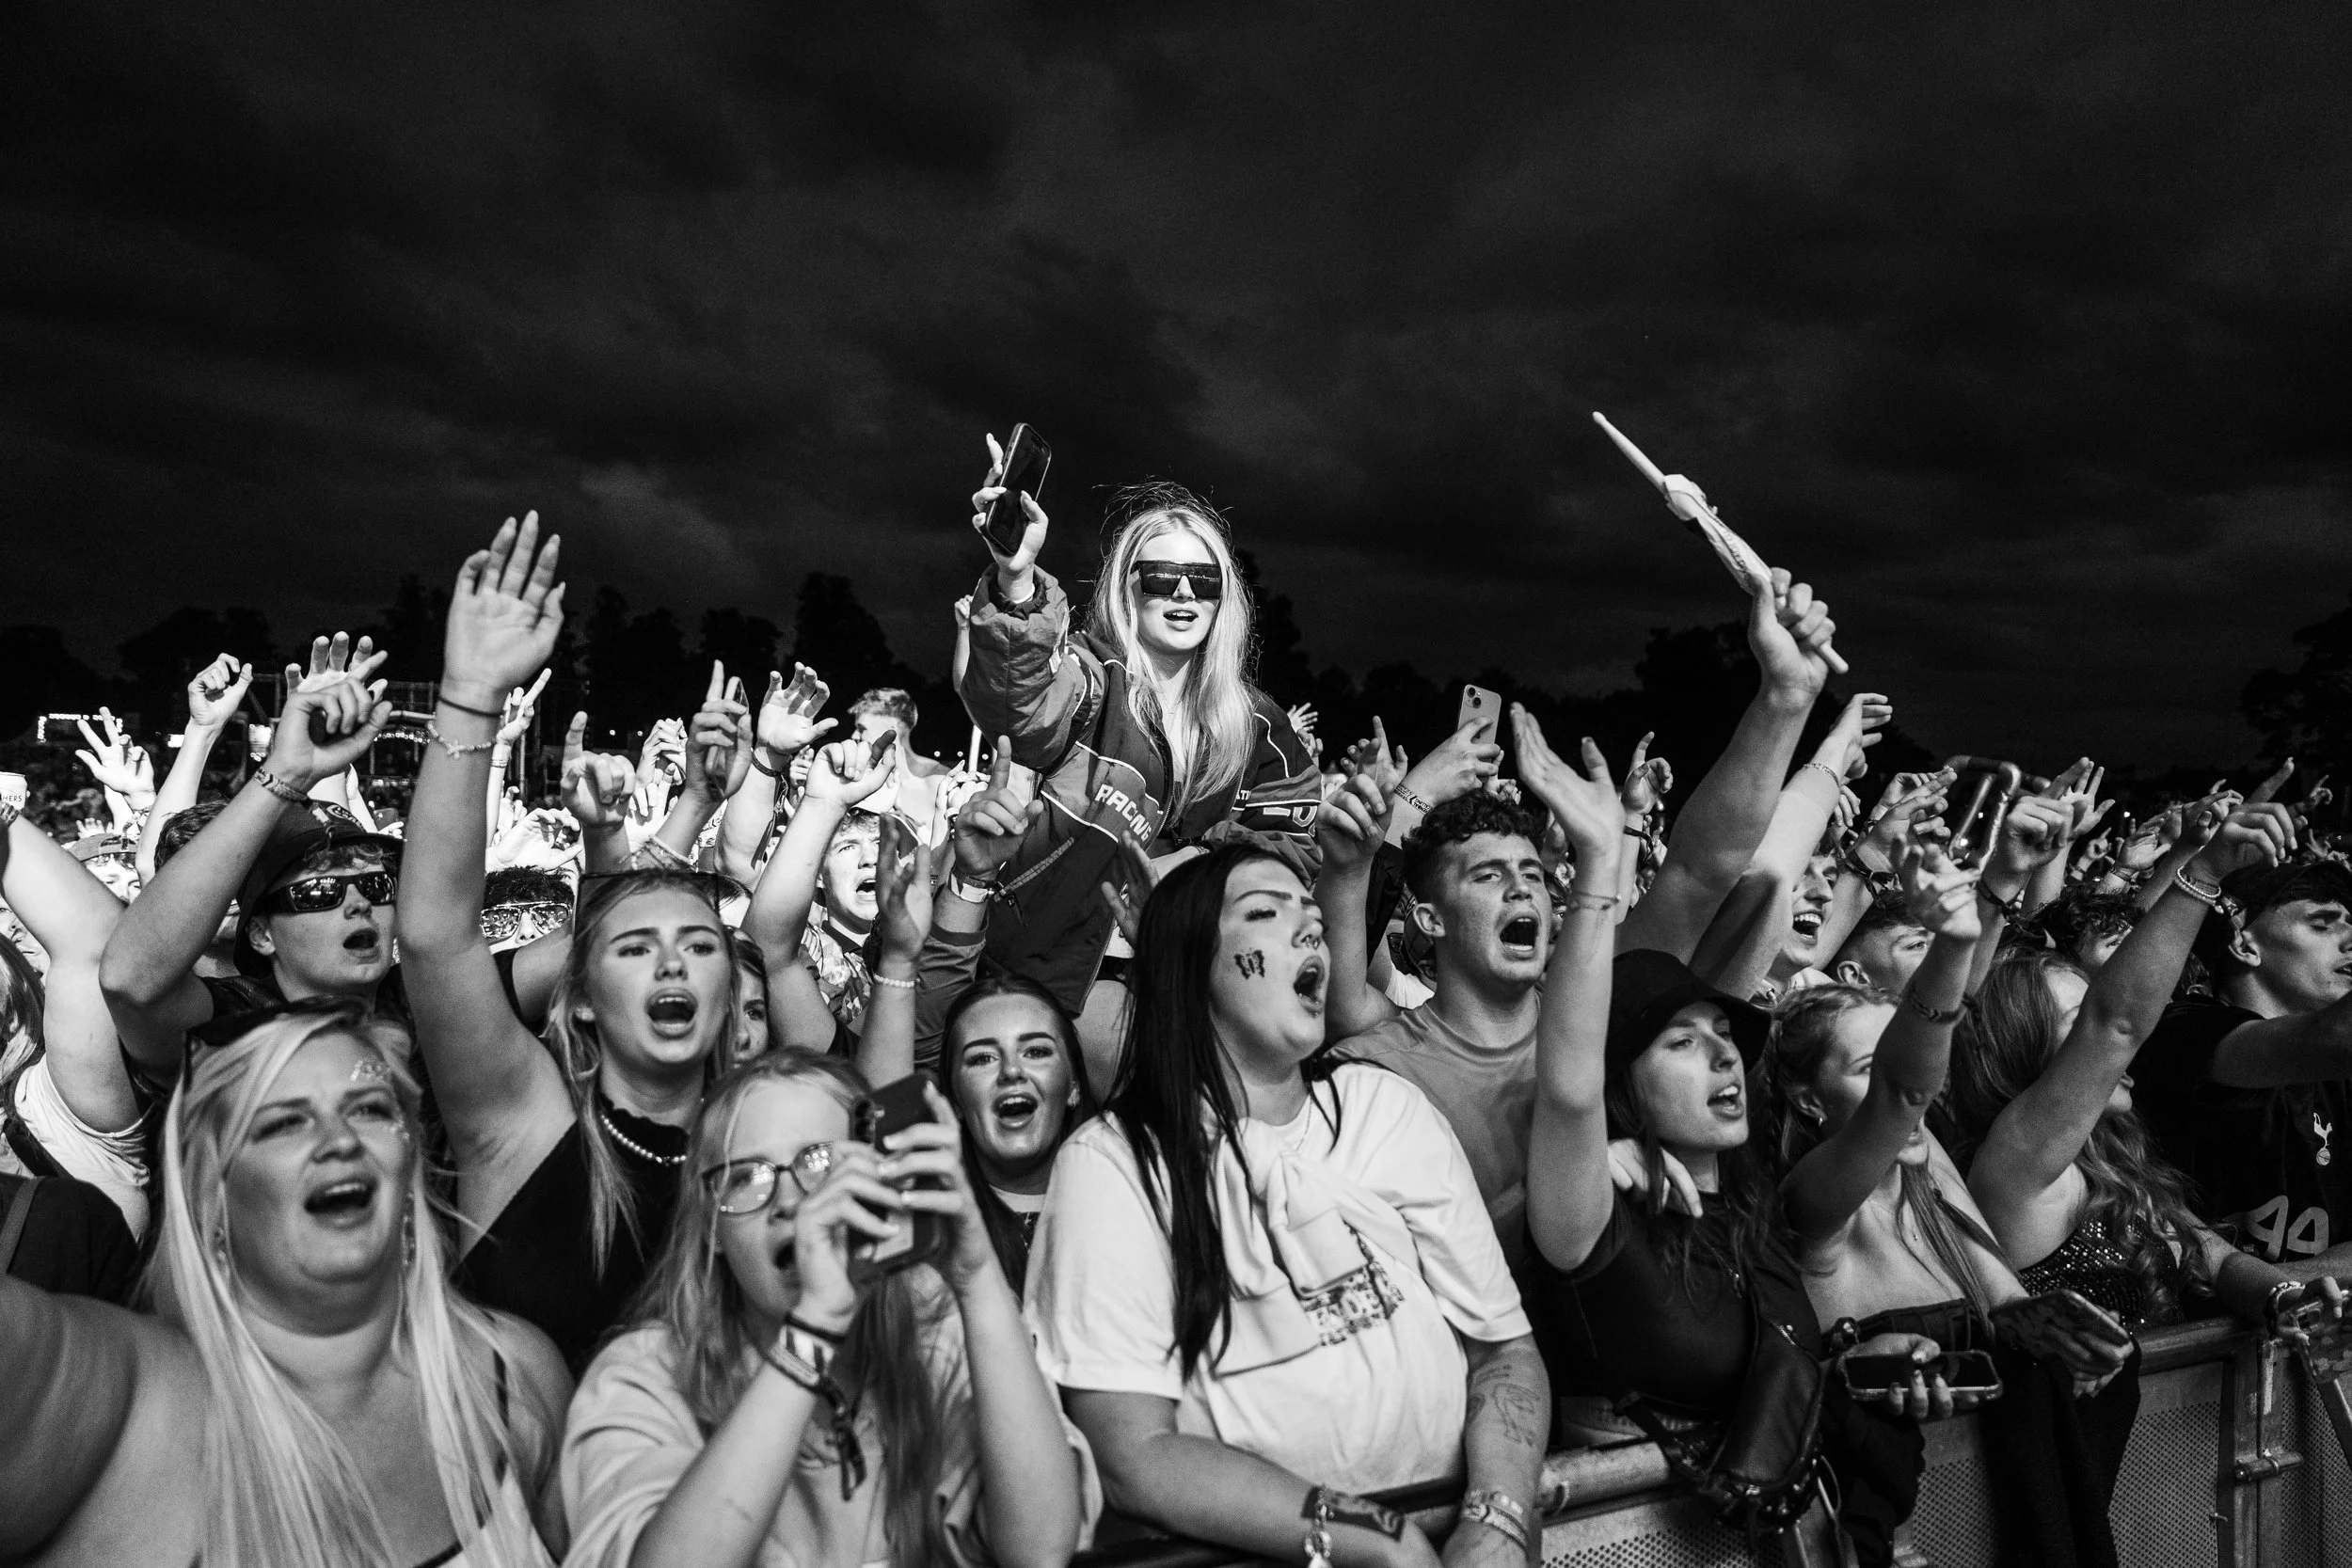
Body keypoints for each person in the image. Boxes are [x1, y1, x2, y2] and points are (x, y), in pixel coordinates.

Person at [1026, 846, 1548, 1568]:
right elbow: (1134, 1452)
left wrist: (1498, 1519)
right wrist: (1378, 1537)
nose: (1311, 928)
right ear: (1190, 967)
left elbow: (1504, 1351)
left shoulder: (1382, 1106)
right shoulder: (1115, 1162)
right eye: (1265, 912)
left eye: (1312, 915)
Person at [1513, 715, 1933, 1565]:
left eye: (1725, 1036)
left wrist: (1853, 1365)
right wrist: (1597, 869)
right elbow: (1567, 1084)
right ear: (1624, 1082)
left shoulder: (1755, 1208)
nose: (1722, 1055)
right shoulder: (1593, 1218)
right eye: (1680, 1041)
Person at [0, 999, 570, 1565]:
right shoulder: (134, 1414)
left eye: (369, 1109)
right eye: (283, 1123)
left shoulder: (514, 1377)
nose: (340, 1140)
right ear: (212, 1198)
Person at [397, 515, 740, 1370]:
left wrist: (701, 802)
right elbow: (436, 936)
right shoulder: (525, 1122)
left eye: (700, 945)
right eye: (635, 949)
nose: (672, 961)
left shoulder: (762, 1142)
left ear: (733, 986)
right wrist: (470, 694)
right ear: (579, 995)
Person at [560, 1052, 1094, 1568]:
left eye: (821, 1164)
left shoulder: (938, 1335)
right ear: (711, 1229)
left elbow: (1040, 1550)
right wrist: (812, 1331)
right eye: (746, 1177)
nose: (791, 1203)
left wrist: (977, 1280)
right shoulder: (644, 1377)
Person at [959, 461, 1322, 1088]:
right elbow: (1020, 707)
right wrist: (1016, 580)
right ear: (1129, 587)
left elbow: (1293, 845)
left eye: (1203, 580)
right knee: (1163, 1087)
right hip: (1061, 971)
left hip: (1199, 972)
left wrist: (1192, 868)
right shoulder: (1093, 678)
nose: (1183, 593)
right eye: (1161, 576)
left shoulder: (1258, 724)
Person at [2129, 779, 2352, 1271]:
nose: (2349, 938)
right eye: (2322, 924)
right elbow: (2335, 1037)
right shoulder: (2181, 1029)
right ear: (2244, 945)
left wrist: (2277, 1291)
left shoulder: (2338, 1078)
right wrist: (2253, 1294)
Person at [938, 974, 1092, 1287]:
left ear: (1073, 1085)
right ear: (955, 1100)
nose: (1010, 1071)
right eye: (983, 1058)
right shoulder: (936, 1232)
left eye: (1035, 1052)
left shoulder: (1126, 1206)